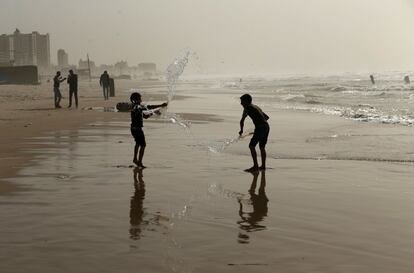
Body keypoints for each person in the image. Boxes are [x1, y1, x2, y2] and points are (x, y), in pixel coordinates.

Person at [130, 92, 168, 168]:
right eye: (139, 98)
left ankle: (135, 159)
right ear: (136, 99)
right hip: (137, 130)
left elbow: (145, 117)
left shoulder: (135, 107)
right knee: (143, 145)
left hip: (134, 129)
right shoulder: (137, 107)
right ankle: (139, 162)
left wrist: (153, 112)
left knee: (138, 143)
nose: (141, 100)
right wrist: (160, 105)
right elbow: (149, 107)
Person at [239, 94, 270, 172]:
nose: (241, 103)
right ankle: (263, 166)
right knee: (262, 147)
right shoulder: (256, 107)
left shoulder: (247, 108)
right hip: (266, 127)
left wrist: (241, 130)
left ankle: (255, 166)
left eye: (242, 101)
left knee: (251, 146)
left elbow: (242, 121)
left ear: (246, 101)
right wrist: (259, 128)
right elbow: (266, 117)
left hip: (260, 128)